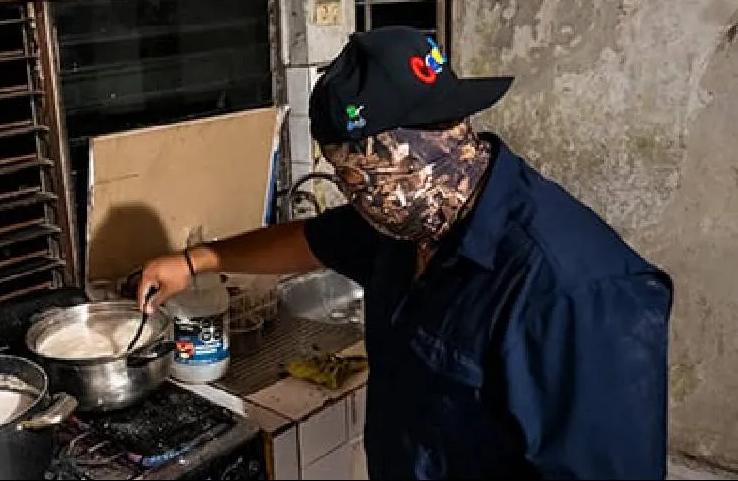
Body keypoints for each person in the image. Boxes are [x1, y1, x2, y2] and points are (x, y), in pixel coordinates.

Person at [137, 26, 673, 480]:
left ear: (424, 147)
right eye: (345, 181)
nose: (354, 197)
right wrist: (195, 261)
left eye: (359, 178)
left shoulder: (574, 291)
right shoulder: (404, 222)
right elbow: (312, 240)